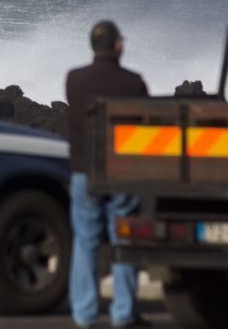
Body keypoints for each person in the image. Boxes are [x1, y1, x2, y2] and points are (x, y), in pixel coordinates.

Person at [66, 21, 150, 328]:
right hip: (121, 174)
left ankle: (85, 314)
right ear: (118, 46)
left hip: (83, 173)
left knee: (85, 241)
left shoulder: (74, 80)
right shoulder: (133, 83)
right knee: (122, 242)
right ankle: (123, 313)